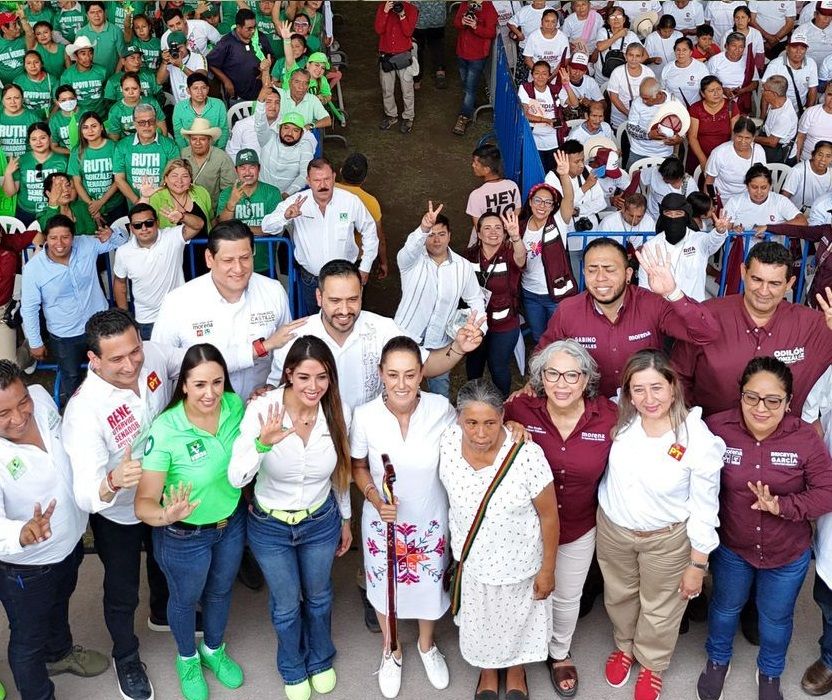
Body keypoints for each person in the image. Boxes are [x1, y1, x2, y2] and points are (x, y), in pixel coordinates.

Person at [62, 308, 183, 700]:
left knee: (166, 561)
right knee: (122, 587)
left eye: (134, 351)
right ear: (93, 360)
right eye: (116, 359)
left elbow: (196, 359)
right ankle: (126, 655)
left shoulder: (153, 353)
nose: (131, 364)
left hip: (163, 490)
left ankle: (162, 614)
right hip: (119, 513)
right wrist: (113, 480)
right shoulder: (84, 413)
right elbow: (84, 494)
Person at [697, 356, 832, 700]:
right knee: (725, 608)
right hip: (733, 548)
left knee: (775, 619)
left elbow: (826, 492)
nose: (761, 407)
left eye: (773, 400)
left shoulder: (804, 439)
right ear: (739, 395)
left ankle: (770, 672)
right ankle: (717, 661)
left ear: (788, 403)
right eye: (751, 397)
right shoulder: (715, 428)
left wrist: (783, 507)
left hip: (787, 553)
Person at [597, 349, 724, 700]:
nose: (648, 398)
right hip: (615, 530)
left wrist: (698, 564)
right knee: (619, 594)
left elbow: (704, 506)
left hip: (666, 539)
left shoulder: (696, 438)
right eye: (638, 389)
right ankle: (624, 646)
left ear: (673, 388)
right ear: (627, 393)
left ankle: (651, 662)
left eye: (656, 387)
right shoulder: (619, 420)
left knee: (662, 605)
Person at [229, 336, 351, 700]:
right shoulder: (263, 410)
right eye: (304, 378)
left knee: (319, 596)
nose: (314, 387)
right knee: (285, 604)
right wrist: (262, 444)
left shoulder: (336, 409)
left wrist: (345, 518)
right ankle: (292, 665)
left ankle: (319, 657)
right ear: (288, 375)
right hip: (271, 527)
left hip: (319, 520)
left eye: (322, 377)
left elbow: (340, 471)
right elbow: (237, 477)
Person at [504, 340, 617, 698]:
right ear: (540, 378)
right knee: (521, 594)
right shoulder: (520, 410)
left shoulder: (610, 417)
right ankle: (515, 656)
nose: (562, 383)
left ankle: (559, 652)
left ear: (586, 380)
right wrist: (507, 423)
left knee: (568, 596)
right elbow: (479, 424)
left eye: (572, 375)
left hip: (579, 527)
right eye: (552, 374)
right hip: (525, 528)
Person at [135, 344, 246, 700]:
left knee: (221, 590)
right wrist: (166, 515)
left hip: (229, 525)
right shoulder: (166, 430)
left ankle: (213, 649)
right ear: (183, 384)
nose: (210, 393)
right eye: (199, 384)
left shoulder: (235, 407)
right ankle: (187, 658)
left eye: (217, 382)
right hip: (184, 536)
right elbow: (143, 503)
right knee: (184, 599)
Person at [350, 336, 456, 698]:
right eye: (393, 374)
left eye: (410, 374)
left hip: (429, 517)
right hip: (383, 520)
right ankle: (391, 649)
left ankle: (427, 645)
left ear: (422, 374)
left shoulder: (441, 408)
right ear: (381, 374)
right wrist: (375, 498)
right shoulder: (364, 416)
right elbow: (359, 466)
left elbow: (462, 451)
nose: (401, 384)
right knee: (384, 587)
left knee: (428, 584)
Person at [439, 378, 558, 700]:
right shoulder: (447, 442)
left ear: (503, 417)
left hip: (519, 562)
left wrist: (547, 570)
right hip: (474, 561)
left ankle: (516, 669)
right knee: (483, 624)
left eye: (490, 423)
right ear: (458, 419)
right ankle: (487, 669)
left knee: (517, 621)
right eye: (471, 423)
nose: (480, 433)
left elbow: (549, 516)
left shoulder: (527, 454)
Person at [0, 362, 108, 700]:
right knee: (27, 640)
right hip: (27, 568)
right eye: (2, 413)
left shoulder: (41, 397)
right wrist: (21, 533)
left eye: (21, 403)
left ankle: (59, 654)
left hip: (71, 542)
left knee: (59, 603)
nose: (19, 417)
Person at [266, 259, 485, 411]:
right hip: (317, 439)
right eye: (334, 301)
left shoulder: (383, 328)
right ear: (318, 297)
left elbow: (426, 366)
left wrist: (458, 348)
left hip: (370, 437)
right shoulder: (295, 337)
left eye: (352, 299)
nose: (344, 310)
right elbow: (277, 390)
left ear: (361, 294)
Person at [532, 237, 720, 399]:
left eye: (609, 269)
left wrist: (673, 293)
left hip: (646, 408)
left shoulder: (652, 304)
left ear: (628, 274)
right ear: (583, 273)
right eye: (592, 270)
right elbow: (542, 357)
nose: (600, 278)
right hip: (592, 411)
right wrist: (532, 386)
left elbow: (706, 334)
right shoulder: (568, 310)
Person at [672, 241, 832, 418]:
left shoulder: (815, 325)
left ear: (789, 283)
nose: (764, 291)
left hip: (783, 442)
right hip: (709, 436)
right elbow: (678, 377)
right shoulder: (707, 316)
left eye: (774, 283)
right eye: (757, 279)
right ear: (743, 272)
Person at [152, 220, 296, 401]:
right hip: (203, 419)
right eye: (228, 260)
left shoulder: (273, 291)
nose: (238, 268)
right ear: (209, 259)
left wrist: (273, 385)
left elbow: (284, 348)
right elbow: (162, 366)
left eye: (245, 258)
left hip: (259, 412)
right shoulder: (178, 302)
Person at [20, 215, 127, 405]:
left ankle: (114, 410)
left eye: (65, 237)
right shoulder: (33, 269)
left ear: (73, 236)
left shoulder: (86, 244)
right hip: (65, 335)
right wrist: (35, 342)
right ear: (45, 238)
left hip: (99, 326)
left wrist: (113, 232)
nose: (59, 243)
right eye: (53, 238)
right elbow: (29, 308)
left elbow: (120, 241)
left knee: (110, 370)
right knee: (72, 379)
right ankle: (77, 418)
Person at [261, 158, 379, 314]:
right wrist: (285, 216)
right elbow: (266, 226)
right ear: (308, 181)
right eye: (317, 180)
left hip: (345, 278)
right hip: (312, 281)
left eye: (326, 179)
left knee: (346, 319)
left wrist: (365, 267)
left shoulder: (350, 201)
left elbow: (370, 231)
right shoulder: (296, 202)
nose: (323, 185)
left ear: (334, 177)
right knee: (315, 324)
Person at [394, 202, 486, 398]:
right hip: (406, 338)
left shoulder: (463, 266)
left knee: (440, 396)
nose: (436, 240)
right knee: (403, 392)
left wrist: (477, 328)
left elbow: (476, 299)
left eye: (441, 234)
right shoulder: (411, 261)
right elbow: (409, 248)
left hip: (441, 344)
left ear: (450, 236)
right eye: (431, 235)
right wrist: (423, 228)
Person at [114, 202, 202, 340]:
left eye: (149, 223)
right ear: (131, 228)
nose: (144, 228)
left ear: (157, 222)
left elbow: (198, 225)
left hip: (178, 315)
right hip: (146, 320)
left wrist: (182, 217)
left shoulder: (172, 237)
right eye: (137, 225)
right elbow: (120, 284)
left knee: (182, 359)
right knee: (153, 361)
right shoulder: (123, 252)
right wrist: (125, 317)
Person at [463, 210, 524, 398]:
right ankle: (472, 404)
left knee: (498, 367)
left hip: (504, 324)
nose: (493, 232)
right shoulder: (468, 256)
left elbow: (521, 259)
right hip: (476, 325)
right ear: (478, 233)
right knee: (474, 366)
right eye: (487, 228)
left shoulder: (510, 252)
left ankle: (502, 406)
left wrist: (516, 237)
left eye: (498, 228)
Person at [522, 152, 578, 344]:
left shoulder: (559, 222)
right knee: (539, 337)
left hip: (556, 293)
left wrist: (564, 175)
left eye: (548, 202)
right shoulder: (520, 228)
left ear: (553, 206)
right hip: (529, 293)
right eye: (538, 200)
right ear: (530, 202)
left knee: (559, 338)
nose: (542, 206)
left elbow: (569, 199)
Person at [639, 193, 726, 301]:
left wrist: (719, 232)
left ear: (686, 215)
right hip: (662, 312)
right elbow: (644, 288)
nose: (673, 218)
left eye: (678, 213)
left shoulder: (699, 240)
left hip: (694, 310)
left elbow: (713, 241)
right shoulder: (650, 246)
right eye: (668, 213)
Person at [336, 152, 389, 280]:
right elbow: (378, 237)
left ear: (341, 170)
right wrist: (383, 262)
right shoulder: (371, 202)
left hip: (331, 253)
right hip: (357, 258)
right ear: (364, 178)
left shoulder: (327, 190)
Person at [2, 122, 67, 226]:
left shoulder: (63, 160)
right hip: (26, 213)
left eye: (43, 138)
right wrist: (8, 173)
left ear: (50, 138)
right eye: (34, 139)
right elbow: (10, 193)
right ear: (29, 141)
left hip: (53, 210)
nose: (38, 142)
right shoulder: (21, 160)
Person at [113, 104, 180, 204]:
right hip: (135, 205)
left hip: (164, 202)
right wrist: (139, 202)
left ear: (156, 122)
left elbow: (175, 176)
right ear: (135, 124)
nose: (147, 126)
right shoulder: (122, 146)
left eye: (151, 121)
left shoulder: (170, 145)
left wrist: (158, 199)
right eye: (141, 122)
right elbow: (119, 179)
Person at [70, 111, 125, 224]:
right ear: (81, 130)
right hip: (88, 207)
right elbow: (77, 182)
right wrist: (92, 206)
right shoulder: (77, 151)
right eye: (85, 127)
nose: (90, 130)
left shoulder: (114, 147)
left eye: (94, 126)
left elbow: (118, 180)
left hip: (115, 205)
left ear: (101, 127)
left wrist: (100, 202)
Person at [452, 0, 498, 136]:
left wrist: (475, 26)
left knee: (469, 88)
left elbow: (490, 33)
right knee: (465, 83)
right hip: (461, 52)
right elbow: (455, 23)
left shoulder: (489, 8)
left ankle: (464, 117)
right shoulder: (465, 4)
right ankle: (470, 104)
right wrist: (462, 22)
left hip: (478, 55)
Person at [723, 163, 807, 236]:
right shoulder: (735, 202)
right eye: (754, 187)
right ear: (747, 186)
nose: (759, 192)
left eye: (763, 187)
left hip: (774, 252)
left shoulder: (780, 201)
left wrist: (769, 228)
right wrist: (733, 231)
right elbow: (723, 230)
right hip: (744, 252)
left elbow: (802, 222)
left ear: (770, 186)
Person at [374, 1, 417, 134]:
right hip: (386, 55)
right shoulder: (383, 7)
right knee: (387, 89)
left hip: (403, 55)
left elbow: (408, 32)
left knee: (407, 89)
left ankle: (408, 117)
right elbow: (378, 29)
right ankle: (391, 115)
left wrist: (402, 14)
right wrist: (385, 12)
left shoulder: (411, 9)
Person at [704, 117, 767, 202]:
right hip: (724, 199)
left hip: (748, 198)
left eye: (747, 138)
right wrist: (713, 203)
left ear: (753, 138)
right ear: (733, 134)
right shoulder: (719, 153)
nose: (743, 141)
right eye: (739, 136)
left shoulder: (759, 151)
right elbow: (709, 182)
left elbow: (763, 178)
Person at [625, 78, 684, 168]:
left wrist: (679, 139)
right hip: (639, 151)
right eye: (642, 97)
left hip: (664, 153)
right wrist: (648, 135)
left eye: (647, 99)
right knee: (631, 179)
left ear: (659, 94)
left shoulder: (674, 103)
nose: (643, 101)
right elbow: (630, 127)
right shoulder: (637, 102)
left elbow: (683, 128)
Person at [465, 144, 521, 238]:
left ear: (487, 169)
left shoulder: (476, 195)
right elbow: (517, 214)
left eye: (476, 163)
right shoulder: (512, 186)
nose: (473, 165)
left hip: (485, 241)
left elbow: (479, 227)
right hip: (507, 237)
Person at [255, 109, 315, 196]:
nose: (289, 133)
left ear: (302, 134)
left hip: (286, 197)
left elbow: (305, 174)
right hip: (260, 192)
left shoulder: (305, 146)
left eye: (295, 130)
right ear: (279, 129)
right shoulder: (269, 137)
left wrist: (287, 194)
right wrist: (261, 102)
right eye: (286, 128)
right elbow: (260, 125)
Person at [762, 27, 818, 118]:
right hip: (776, 110)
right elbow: (765, 91)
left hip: (798, 110)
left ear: (806, 50)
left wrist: (807, 114)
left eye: (802, 48)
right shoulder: (775, 64)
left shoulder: (811, 64)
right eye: (794, 47)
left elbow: (813, 90)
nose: (798, 52)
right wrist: (763, 116)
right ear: (787, 48)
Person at [147, 158, 211, 235]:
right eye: (174, 176)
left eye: (185, 176)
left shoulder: (201, 192)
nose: (179, 181)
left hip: (205, 245)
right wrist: (144, 197)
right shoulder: (156, 197)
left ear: (190, 179)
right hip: (171, 246)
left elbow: (211, 219)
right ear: (166, 179)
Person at [172, 72, 230, 150]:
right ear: (188, 91)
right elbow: (179, 134)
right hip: (189, 151)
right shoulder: (179, 107)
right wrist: (186, 153)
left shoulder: (218, 105)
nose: (200, 92)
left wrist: (218, 151)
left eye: (203, 88)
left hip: (214, 149)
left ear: (208, 89)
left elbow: (224, 130)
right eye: (195, 88)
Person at [707, 32, 759, 114]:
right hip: (718, 98)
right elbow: (708, 82)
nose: (737, 50)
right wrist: (723, 90)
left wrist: (742, 90)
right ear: (726, 46)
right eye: (734, 46)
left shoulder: (748, 62)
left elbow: (755, 83)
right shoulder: (715, 61)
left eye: (741, 47)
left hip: (742, 98)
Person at [607, 43, 655, 133]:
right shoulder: (617, 72)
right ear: (625, 56)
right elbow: (613, 97)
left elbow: (653, 95)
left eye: (637, 56)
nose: (634, 59)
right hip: (619, 120)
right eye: (630, 55)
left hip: (642, 119)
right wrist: (628, 113)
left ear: (642, 57)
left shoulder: (648, 72)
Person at [156, 30, 210, 105]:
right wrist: (164, 62)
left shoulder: (198, 57)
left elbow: (201, 79)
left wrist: (181, 66)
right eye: (174, 49)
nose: (178, 51)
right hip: (180, 107)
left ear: (187, 43)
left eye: (180, 47)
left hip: (200, 104)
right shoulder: (170, 60)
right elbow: (159, 81)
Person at [60, 36, 108, 118]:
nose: (88, 57)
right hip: (78, 118)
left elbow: (107, 94)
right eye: (83, 54)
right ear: (75, 56)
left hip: (101, 116)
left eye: (90, 53)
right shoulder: (67, 76)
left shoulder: (102, 71)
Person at [755, 75, 799, 163]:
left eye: (764, 90)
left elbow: (772, 142)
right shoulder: (778, 102)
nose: (762, 91)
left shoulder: (784, 116)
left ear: (774, 94)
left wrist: (751, 138)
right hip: (772, 141)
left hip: (779, 154)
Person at [74, 1, 125, 77]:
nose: (96, 15)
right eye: (92, 12)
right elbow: (78, 57)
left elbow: (122, 55)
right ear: (87, 16)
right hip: (90, 78)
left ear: (105, 13)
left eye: (99, 11)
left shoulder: (116, 31)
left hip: (111, 76)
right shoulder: (81, 33)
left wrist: (116, 75)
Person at [781, 139, 832, 213]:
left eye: (828, 156)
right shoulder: (798, 170)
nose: (823, 159)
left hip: (820, 215)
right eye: (820, 155)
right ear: (813, 155)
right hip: (796, 213)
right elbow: (784, 198)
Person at [592, 6, 641, 79]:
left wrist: (630, 64)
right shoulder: (603, 32)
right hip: (602, 78)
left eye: (619, 16)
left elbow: (644, 55)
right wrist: (618, 35)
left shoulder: (631, 35)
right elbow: (600, 47)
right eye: (612, 17)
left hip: (622, 77)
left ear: (624, 19)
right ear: (608, 21)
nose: (616, 19)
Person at [660, 37, 709, 108]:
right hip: (673, 109)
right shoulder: (667, 68)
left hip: (695, 110)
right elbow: (662, 89)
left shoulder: (701, 67)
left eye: (684, 50)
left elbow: (707, 89)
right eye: (678, 50)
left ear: (691, 52)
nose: (680, 53)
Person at [522, 8, 570, 77]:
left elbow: (566, 59)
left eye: (553, 22)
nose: (549, 25)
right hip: (536, 75)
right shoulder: (533, 36)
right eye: (547, 21)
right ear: (541, 22)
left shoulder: (563, 37)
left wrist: (552, 76)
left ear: (557, 23)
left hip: (556, 74)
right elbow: (527, 59)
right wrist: (540, 75)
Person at [412, 1, 447, 89]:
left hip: (419, 19)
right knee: (437, 44)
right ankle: (440, 72)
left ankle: (417, 79)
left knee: (418, 48)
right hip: (438, 17)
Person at [0, 84, 39, 159]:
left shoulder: (33, 118)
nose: (13, 102)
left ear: (23, 99)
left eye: (17, 98)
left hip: (27, 161)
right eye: (8, 98)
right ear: (2, 101)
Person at [796, 81, 832, 160]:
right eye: (830, 94)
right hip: (807, 160)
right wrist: (797, 159)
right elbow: (800, 137)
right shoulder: (811, 112)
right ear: (825, 94)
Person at [16, 50, 55, 117]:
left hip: (48, 118)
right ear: (24, 66)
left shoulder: (52, 80)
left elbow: (58, 103)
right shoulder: (18, 81)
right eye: (28, 63)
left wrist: (50, 118)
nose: (33, 66)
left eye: (36, 62)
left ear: (42, 64)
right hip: (26, 118)